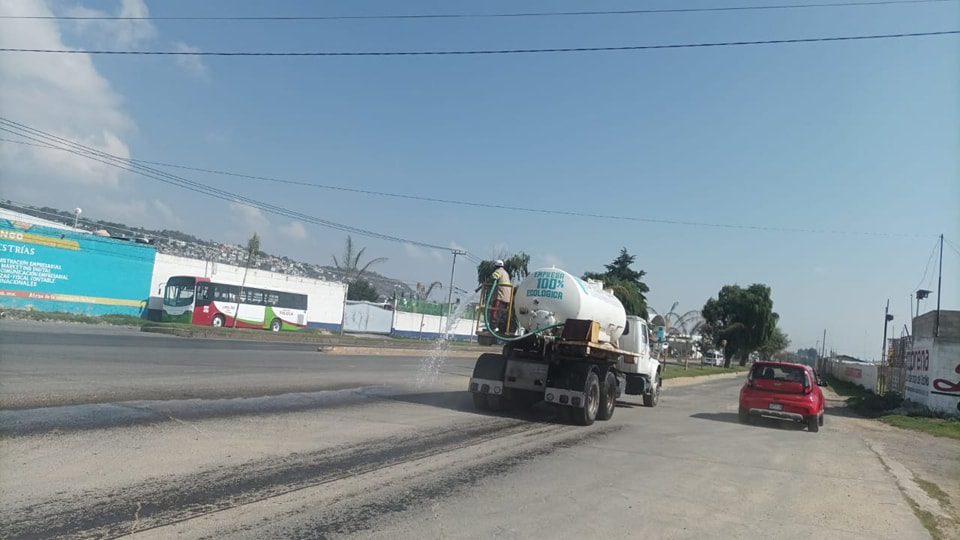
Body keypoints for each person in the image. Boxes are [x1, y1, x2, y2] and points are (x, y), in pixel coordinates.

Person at [489, 259, 511, 332]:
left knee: (495, 312)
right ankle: (502, 329)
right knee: (502, 313)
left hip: (500, 296)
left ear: (496, 266)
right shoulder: (506, 273)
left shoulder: (498, 271)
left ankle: (493, 328)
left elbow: (494, 277)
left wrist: (488, 280)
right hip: (507, 297)